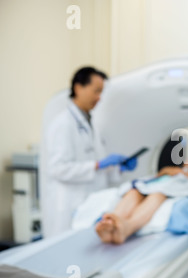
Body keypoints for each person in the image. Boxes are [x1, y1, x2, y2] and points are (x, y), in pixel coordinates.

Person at [41, 67, 138, 239]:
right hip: (68, 206)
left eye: (101, 92)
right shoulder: (63, 124)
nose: (99, 98)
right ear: (78, 88)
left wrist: (118, 169)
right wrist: (98, 165)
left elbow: (96, 165)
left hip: (88, 203)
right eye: (96, 91)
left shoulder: (91, 124)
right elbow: (58, 169)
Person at [95, 162, 188, 244]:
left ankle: (127, 227)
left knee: (158, 194)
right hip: (155, 183)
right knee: (134, 191)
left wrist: (186, 174)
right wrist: (170, 171)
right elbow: (158, 175)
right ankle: (111, 221)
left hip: (172, 187)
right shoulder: (174, 171)